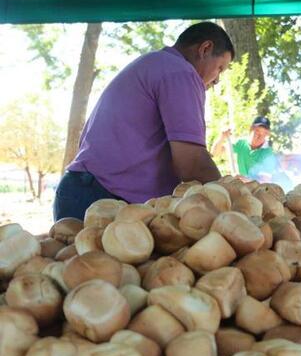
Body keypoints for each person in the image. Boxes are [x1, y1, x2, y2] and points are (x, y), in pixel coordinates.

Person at [54, 22, 234, 221]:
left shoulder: (153, 64)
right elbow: (191, 163)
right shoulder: (181, 72)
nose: (217, 80)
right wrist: (233, 199)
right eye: (220, 68)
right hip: (99, 199)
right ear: (205, 49)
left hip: (85, 190)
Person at [212, 116, 287, 185]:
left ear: (267, 134)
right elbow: (215, 153)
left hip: (258, 193)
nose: (260, 136)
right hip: (241, 187)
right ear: (251, 129)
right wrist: (222, 137)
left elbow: (264, 182)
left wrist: (244, 180)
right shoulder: (241, 143)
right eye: (257, 131)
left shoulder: (268, 153)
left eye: (264, 133)